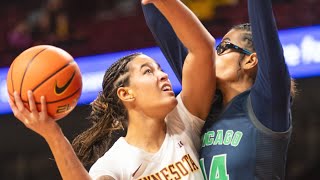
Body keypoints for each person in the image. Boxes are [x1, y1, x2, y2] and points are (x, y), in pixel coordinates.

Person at [9, 0, 216, 179]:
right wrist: (53, 135)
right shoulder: (114, 163)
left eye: (160, 69)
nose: (163, 75)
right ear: (126, 93)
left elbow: (203, 49)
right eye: (148, 71)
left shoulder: (183, 120)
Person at [142, 0, 295, 179]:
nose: (214, 55)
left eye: (223, 47)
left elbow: (264, 24)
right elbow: (162, 25)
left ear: (250, 60)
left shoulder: (266, 104)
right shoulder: (205, 106)